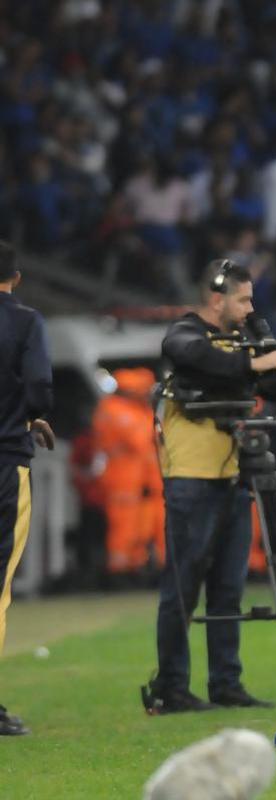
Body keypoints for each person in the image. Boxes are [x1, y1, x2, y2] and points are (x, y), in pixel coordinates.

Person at [144, 259, 276, 713]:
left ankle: (225, 682)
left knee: (228, 587)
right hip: (191, 476)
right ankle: (171, 686)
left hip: (235, 475)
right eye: (243, 299)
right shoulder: (185, 334)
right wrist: (254, 361)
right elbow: (195, 357)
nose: (251, 308)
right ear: (217, 298)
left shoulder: (241, 344)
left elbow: (272, 377)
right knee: (183, 587)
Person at [0, 241, 55, 736]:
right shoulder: (24, 321)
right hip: (5, 461)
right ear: (15, 278)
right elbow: (38, 385)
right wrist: (32, 414)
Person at [92, 368, 164, 578]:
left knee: (143, 526)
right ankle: (119, 572)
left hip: (141, 480)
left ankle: (138, 567)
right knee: (124, 526)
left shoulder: (139, 410)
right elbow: (140, 441)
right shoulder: (115, 409)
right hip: (122, 479)